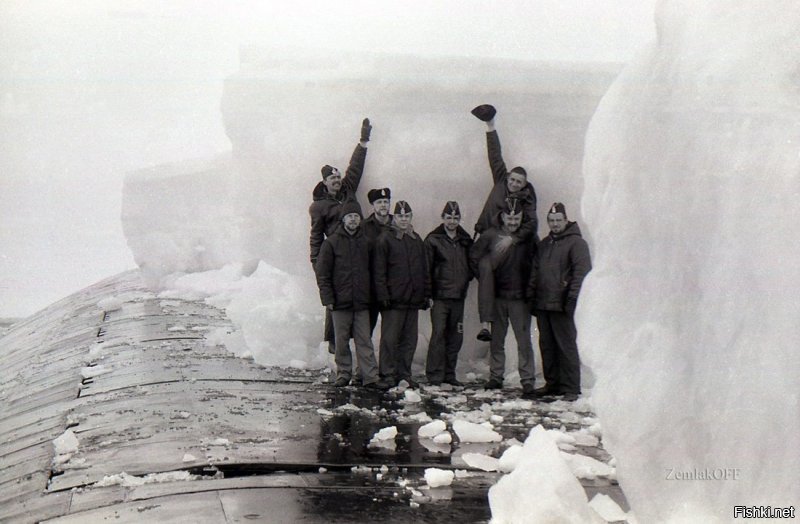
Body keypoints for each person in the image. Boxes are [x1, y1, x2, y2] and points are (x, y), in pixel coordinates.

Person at [470, 104, 538, 342]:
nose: (515, 183)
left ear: (524, 184)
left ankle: (494, 321)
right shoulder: (501, 180)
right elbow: (495, 155)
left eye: (520, 182)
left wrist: (513, 238)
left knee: (495, 272)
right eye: (513, 179)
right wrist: (490, 126)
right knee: (483, 270)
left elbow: (531, 226)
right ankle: (487, 321)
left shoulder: (527, 199)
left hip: (507, 242)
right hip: (486, 236)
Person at [309, 118, 372, 353]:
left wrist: (363, 141)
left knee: (360, 297)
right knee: (335, 303)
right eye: (332, 179)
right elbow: (316, 237)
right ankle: (335, 346)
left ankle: (360, 345)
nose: (337, 181)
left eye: (338, 178)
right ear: (325, 183)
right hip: (336, 254)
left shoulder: (348, 190)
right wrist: (318, 264)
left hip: (358, 249)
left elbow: (355, 167)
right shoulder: (319, 207)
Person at [314, 200, 388, 390]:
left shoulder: (367, 243)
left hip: (362, 302)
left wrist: (374, 296)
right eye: (350, 216)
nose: (353, 220)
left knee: (364, 340)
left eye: (356, 216)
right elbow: (323, 273)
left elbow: (375, 271)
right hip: (340, 303)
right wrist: (328, 298)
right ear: (343, 219)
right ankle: (343, 373)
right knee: (341, 341)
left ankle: (370, 376)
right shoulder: (331, 243)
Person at [469, 198, 536, 398]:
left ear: (522, 217)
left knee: (523, 340)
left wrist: (530, 286)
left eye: (517, 218)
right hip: (497, 297)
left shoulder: (528, 238)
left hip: (520, 298)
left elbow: (537, 262)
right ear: (502, 216)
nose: (513, 222)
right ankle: (496, 376)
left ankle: (527, 379)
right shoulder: (490, 236)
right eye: (510, 217)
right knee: (496, 339)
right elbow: (474, 256)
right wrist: (485, 276)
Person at [527, 203, 592, 402]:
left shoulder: (576, 243)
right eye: (552, 221)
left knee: (566, 345)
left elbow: (581, 273)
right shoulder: (545, 244)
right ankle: (552, 383)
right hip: (544, 303)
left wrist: (572, 299)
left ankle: (572, 387)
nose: (555, 224)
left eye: (559, 220)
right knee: (547, 345)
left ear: (566, 220)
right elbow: (535, 271)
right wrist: (532, 295)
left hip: (562, 304)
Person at [373, 200, 431, 389]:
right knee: (390, 339)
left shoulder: (416, 240)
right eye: (400, 216)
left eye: (407, 216)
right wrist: (383, 295)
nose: (403, 219)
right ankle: (387, 374)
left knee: (409, 339)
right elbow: (379, 271)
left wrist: (425, 294)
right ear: (394, 217)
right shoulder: (385, 239)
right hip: (394, 300)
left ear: (411, 217)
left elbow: (424, 269)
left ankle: (404, 373)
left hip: (412, 300)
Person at [424, 201, 473, 387]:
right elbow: (426, 269)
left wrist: (465, 277)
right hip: (440, 297)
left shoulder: (465, 240)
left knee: (456, 336)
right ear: (442, 218)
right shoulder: (433, 240)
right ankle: (435, 375)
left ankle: (449, 374)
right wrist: (428, 294)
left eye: (455, 217)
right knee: (438, 334)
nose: (452, 221)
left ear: (459, 219)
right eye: (449, 217)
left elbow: (472, 262)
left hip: (458, 297)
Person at [362, 187, 393, 333]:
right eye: (379, 202)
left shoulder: (397, 224)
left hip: (392, 286)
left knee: (391, 330)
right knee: (367, 327)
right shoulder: (364, 227)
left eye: (386, 201)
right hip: (371, 287)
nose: (383, 205)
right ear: (373, 205)